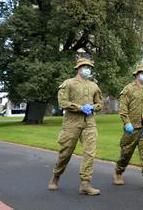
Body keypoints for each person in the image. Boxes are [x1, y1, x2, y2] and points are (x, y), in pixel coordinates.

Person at [48, 57, 103, 195]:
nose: (87, 70)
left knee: (90, 154)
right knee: (65, 153)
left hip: (89, 124)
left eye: (89, 68)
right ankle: (55, 177)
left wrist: (93, 107)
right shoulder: (69, 83)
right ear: (78, 68)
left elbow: (100, 104)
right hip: (71, 124)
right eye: (85, 67)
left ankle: (85, 183)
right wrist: (79, 107)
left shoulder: (94, 86)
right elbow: (62, 102)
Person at [113, 62, 143, 189]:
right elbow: (123, 109)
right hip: (132, 128)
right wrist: (127, 123)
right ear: (137, 74)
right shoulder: (128, 89)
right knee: (126, 153)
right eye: (142, 73)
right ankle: (118, 171)